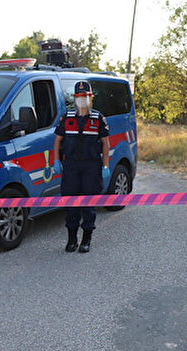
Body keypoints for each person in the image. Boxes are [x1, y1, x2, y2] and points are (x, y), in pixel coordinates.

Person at [53, 81, 110, 253]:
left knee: (88, 206)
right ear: (75, 98)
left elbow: (106, 144)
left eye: (85, 96)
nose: (81, 99)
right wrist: (56, 161)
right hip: (71, 166)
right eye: (78, 96)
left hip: (91, 167)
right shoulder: (67, 117)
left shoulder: (98, 118)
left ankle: (86, 240)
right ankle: (71, 240)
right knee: (71, 205)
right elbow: (57, 141)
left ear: (90, 97)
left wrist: (105, 166)